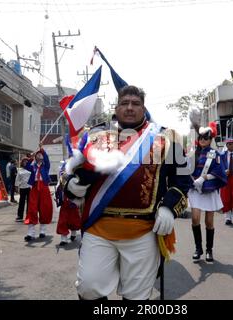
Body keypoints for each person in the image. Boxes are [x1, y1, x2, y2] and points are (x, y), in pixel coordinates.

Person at [65, 85, 191, 300]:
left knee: (137, 296)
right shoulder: (94, 135)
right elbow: (69, 172)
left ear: (144, 108)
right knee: (88, 288)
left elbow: (182, 180)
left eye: (136, 104)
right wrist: (71, 186)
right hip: (99, 228)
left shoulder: (166, 138)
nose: (130, 108)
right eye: (125, 103)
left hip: (143, 231)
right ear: (116, 107)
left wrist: (169, 208)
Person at [188, 122, 227, 262]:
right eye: (201, 138)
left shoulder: (214, 154)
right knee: (195, 218)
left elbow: (219, 171)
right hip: (195, 189)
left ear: (211, 139)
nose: (203, 140)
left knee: (209, 222)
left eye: (206, 138)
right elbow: (186, 168)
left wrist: (203, 178)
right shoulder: (192, 153)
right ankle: (198, 249)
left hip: (208, 189)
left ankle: (209, 250)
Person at [24, 143, 53, 241]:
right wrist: (31, 157)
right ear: (36, 157)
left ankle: (42, 231)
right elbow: (26, 166)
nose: (39, 156)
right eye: (38, 155)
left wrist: (42, 149)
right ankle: (30, 233)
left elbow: (47, 158)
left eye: (41, 155)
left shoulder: (46, 166)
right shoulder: (33, 167)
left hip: (44, 187)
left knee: (44, 209)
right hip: (35, 188)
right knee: (32, 209)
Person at [14, 157, 31, 222]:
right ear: (22, 163)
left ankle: (28, 215)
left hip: (29, 188)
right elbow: (17, 179)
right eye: (24, 162)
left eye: (27, 162)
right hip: (22, 188)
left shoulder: (30, 169)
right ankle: (20, 216)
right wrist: (16, 187)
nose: (25, 163)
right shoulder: (20, 170)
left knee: (29, 203)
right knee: (21, 202)